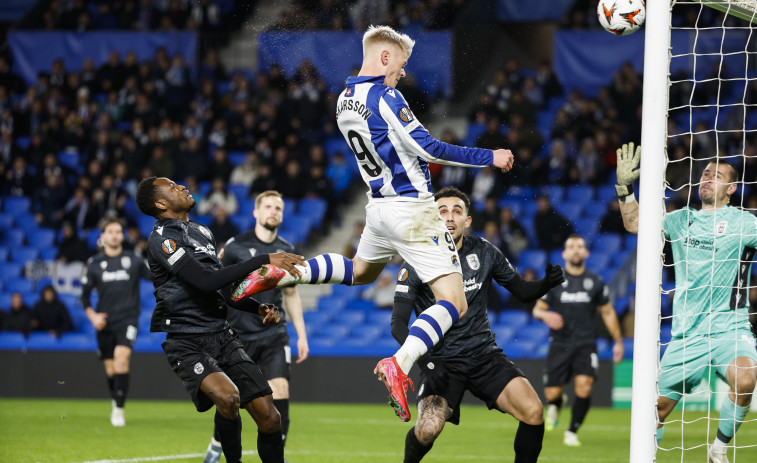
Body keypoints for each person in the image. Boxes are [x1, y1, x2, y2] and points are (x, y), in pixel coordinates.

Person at [235, 25, 514, 422]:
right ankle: (400, 364)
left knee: (360, 272)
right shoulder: (386, 97)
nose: (402, 73)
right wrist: (490, 157)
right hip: (412, 209)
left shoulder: (344, 99)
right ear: (385, 57)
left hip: (378, 206)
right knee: (454, 301)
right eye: (401, 64)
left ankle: (279, 276)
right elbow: (427, 147)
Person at [135, 176, 304, 463]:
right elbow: (202, 281)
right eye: (173, 187)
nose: (183, 187)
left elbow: (222, 288)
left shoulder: (202, 232)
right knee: (228, 398)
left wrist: (257, 308)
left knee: (271, 418)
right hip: (186, 340)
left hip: (222, 335)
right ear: (161, 203)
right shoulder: (162, 238)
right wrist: (262, 259)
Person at [392, 186, 565, 462]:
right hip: (441, 361)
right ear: (432, 219)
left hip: (484, 356)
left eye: (457, 211)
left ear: (467, 220)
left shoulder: (485, 251)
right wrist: (424, 361)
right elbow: (398, 324)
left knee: (533, 411)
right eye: (442, 211)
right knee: (427, 430)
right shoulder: (416, 261)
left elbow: (522, 292)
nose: (449, 217)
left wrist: (546, 283)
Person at [615, 143, 757, 463]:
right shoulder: (681, 221)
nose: (707, 178)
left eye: (717, 175)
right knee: (657, 412)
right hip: (686, 334)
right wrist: (624, 188)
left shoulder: (745, 224)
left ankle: (719, 450)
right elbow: (634, 223)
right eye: (705, 173)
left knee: (746, 377)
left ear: (731, 188)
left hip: (728, 328)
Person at [203, 190, 309, 463]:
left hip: (274, 334)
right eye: (269, 206)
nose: (274, 211)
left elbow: (291, 294)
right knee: (231, 400)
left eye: (279, 208)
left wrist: (302, 335)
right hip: (238, 337)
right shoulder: (235, 247)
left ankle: (276, 457)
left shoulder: (288, 250)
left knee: (281, 393)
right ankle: (218, 441)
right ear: (256, 212)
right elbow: (217, 285)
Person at [532, 235, 624, 447]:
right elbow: (538, 309)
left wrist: (618, 342)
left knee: (584, 387)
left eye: (580, 246)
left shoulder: (596, 283)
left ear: (586, 253)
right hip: (560, 344)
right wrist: (546, 316)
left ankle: (572, 431)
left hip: (586, 343)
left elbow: (608, 312)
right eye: (571, 247)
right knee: (552, 393)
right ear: (564, 254)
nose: (576, 250)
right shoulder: (554, 283)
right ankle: (557, 403)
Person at [80, 218, 153, 427]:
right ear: (103, 236)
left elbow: (153, 276)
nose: (114, 235)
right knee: (110, 368)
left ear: (122, 236)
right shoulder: (94, 264)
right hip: (105, 322)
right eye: (110, 231)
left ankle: (119, 410)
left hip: (128, 319)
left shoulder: (134, 260)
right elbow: (84, 297)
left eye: (118, 231)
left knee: (122, 359)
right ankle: (116, 399)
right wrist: (93, 316)